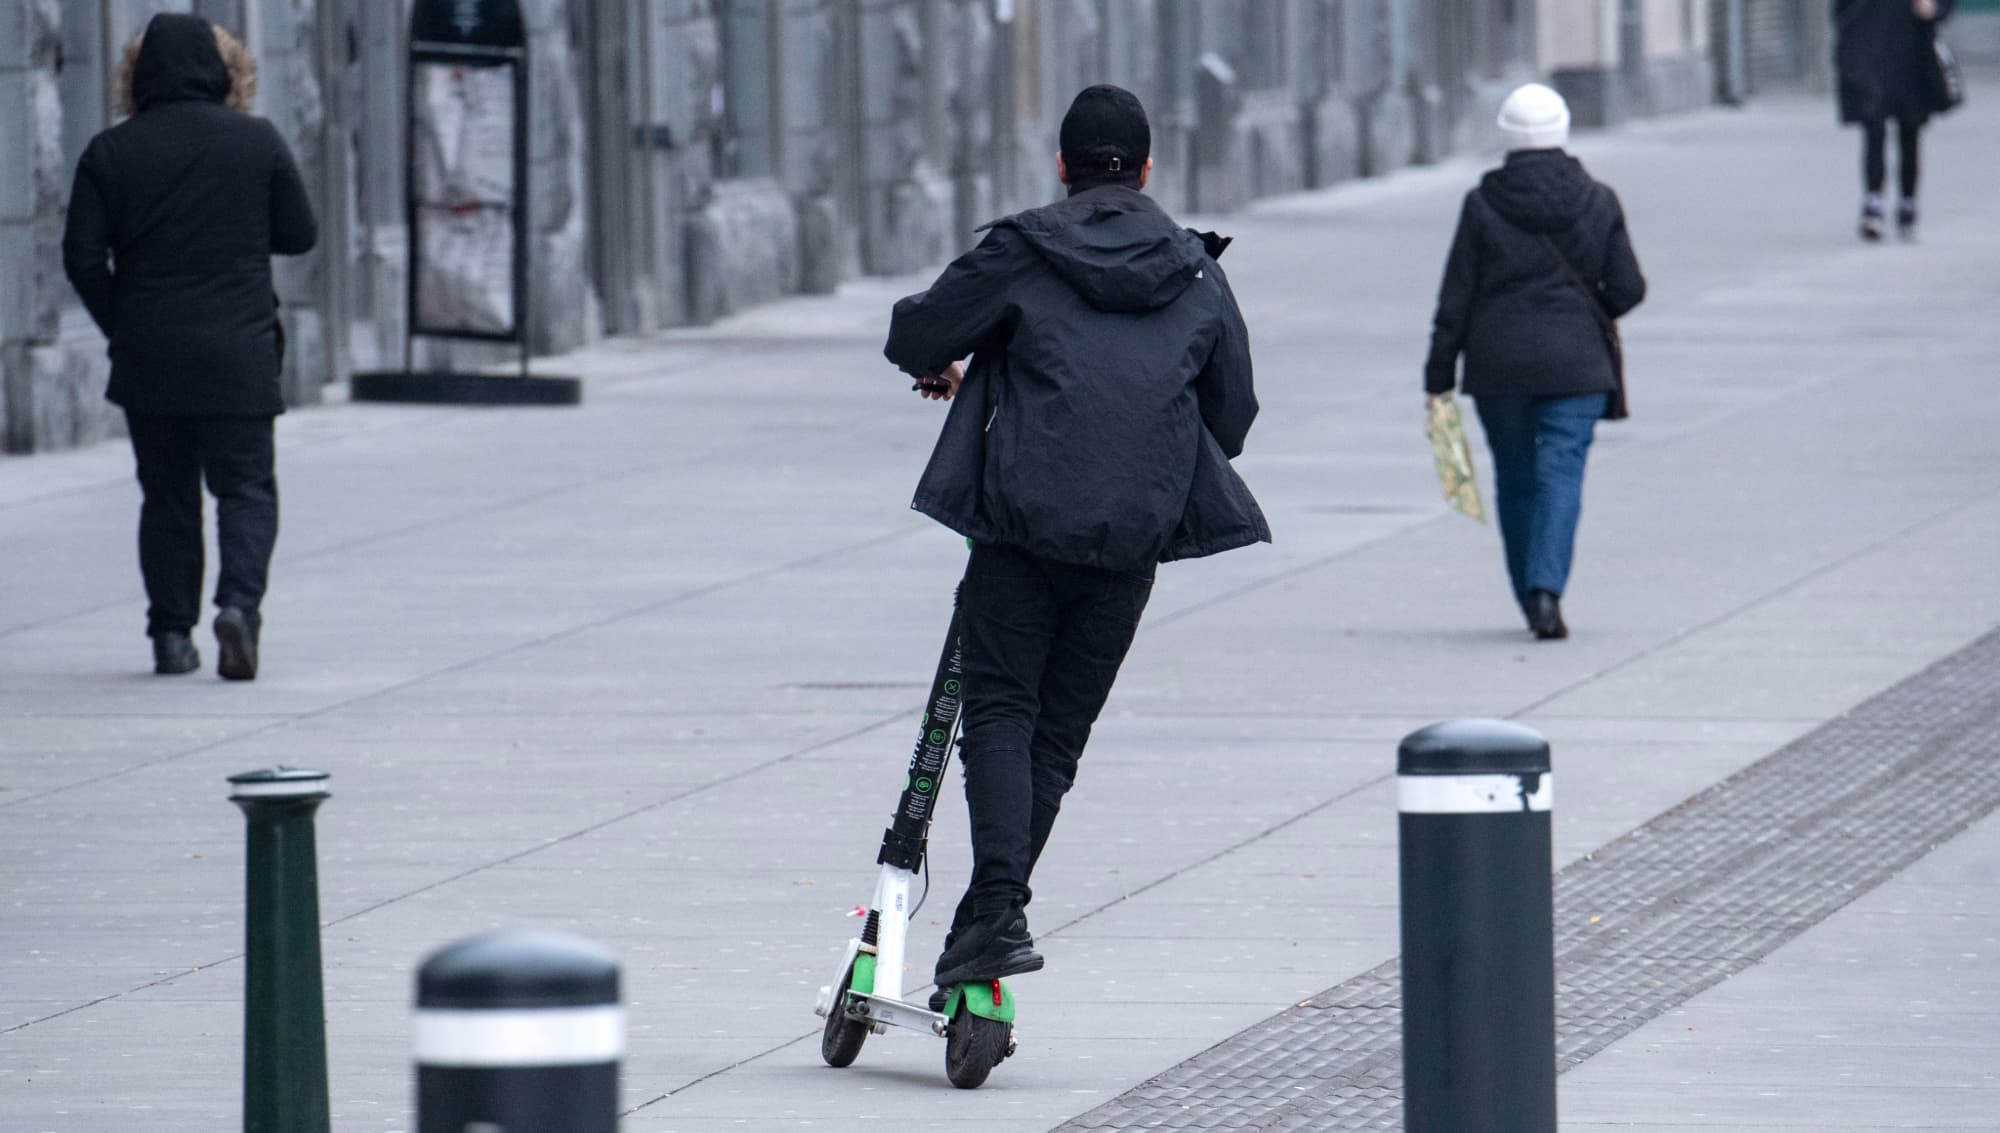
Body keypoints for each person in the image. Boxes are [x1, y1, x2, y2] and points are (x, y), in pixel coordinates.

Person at [883, 85, 1269, 998]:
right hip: (1131, 535)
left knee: (1004, 713)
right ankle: (989, 919)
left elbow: (918, 330)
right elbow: (1236, 413)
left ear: (1062, 166)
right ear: (1144, 171)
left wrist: (949, 360)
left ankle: (997, 912)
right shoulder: (1198, 271)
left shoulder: (1024, 250)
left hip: (1020, 524)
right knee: (1055, 732)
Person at [63, 13, 318, 680]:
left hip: (152, 354)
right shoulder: (255, 141)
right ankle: (238, 607)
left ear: (136, 76)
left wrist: (126, 320)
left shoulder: (108, 152)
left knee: (167, 496)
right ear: (223, 71)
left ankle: (171, 635)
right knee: (245, 488)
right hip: (239, 349)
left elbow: (83, 259)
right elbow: (300, 233)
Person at [1423, 83, 1645, 641]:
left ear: (1506, 135)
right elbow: (1628, 287)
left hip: (1500, 370)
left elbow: (1456, 298)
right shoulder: (1599, 198)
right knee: (1561, 475)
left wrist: (1438, 379)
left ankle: (1528, 595)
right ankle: (1548, 590)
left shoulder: (1481, 203)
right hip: (1577, 367)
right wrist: (1585, 313)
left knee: (1516, 479)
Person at [1836, 0, 1956, 241]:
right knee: (1874, 126)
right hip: (1869, 50)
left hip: (1912, 51)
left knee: (1910, 131)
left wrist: (1934, 8)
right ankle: (1873, 203)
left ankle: (1907, 203)